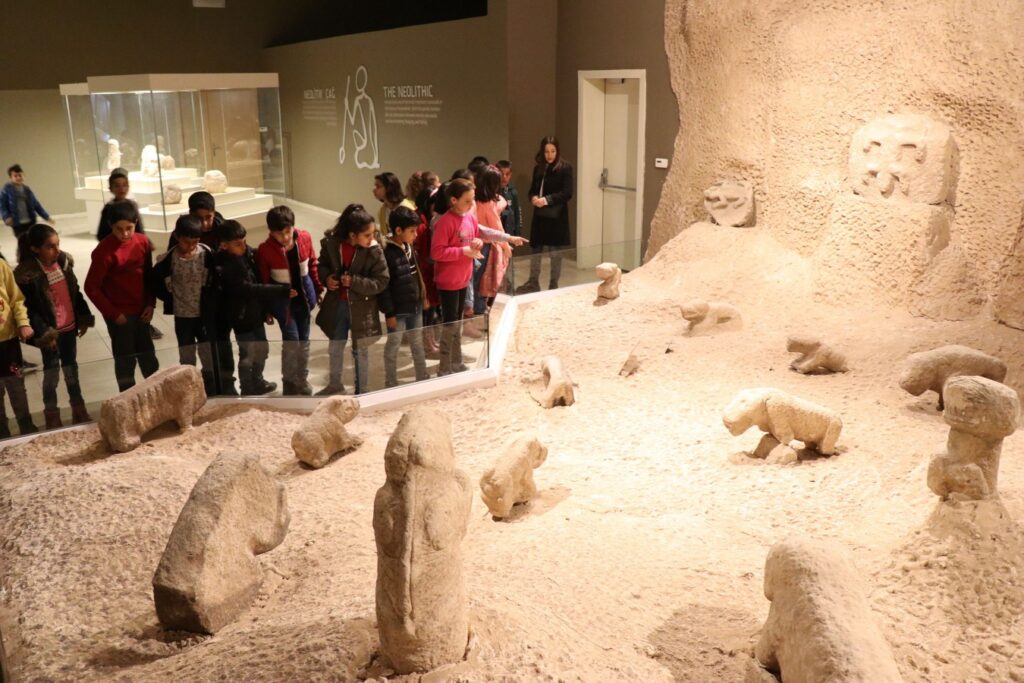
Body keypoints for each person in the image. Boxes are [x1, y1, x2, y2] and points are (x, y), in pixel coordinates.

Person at [431, 179, 525, 376]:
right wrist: (463, 251)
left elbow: (481, 233)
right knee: (450, 326)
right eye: (467, 201)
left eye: (472, 201)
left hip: (463, 279)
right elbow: (437, 252)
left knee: (457, 324)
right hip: (448, 282)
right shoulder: (445, 222)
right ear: (453, 200)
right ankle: (444, 367)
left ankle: (455, 362)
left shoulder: (469, 218)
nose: (471, 205)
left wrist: (506, 238)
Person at [14, 224, 94, 428]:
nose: (57, 250)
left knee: (71, 369)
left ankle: (78, 408)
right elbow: (29, 309)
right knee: (51, 373)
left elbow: (74, 293)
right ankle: (51, 414)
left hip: (69, 328)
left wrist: (83, 317)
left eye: (58, 244)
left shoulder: (63, 262)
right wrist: (45, 334)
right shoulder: (27, 275)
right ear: (35, 249)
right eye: (50, 247)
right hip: (51, 334)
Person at [84, 199, 159, 392]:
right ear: (111, 226)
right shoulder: (103, 252)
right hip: (120, 315)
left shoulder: (142, 242)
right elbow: (91, 287)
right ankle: (128, 402)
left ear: (135, 223)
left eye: (129, 228)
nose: (125, 234)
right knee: (125, 362)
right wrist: (113, 314)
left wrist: (150, 304)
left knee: (148, 357)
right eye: (119, 229)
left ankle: (157, 397)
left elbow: (149, 275)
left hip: (142, 311)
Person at [315, 204, 389, 395]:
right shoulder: (332, 244)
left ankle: (362, 389)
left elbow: (381, 281)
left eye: (373, 233)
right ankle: (335, 384)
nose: (372, 238)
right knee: (335, 346)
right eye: (367, 235)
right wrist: (326, 278)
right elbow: (321, 265)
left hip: (362, 308)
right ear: (352, 235)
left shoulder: (374, 250)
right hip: (337, 305)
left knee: (361, 350)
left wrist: (354, 281)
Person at [211, 220, 286, 396]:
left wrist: (266, 309)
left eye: (244, 241)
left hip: (256, 313)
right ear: (224, 245)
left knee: (262, 349)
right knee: (247, 354)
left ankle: (257, 381)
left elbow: (259, 279)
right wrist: (280, 291)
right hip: (240, 317)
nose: (243, 246)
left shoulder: (250, 254)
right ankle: (247, 388)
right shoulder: (224, 265)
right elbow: (246, 288)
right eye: (238, 244)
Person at [258, 205, 322, 396]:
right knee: (292, 341)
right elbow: (264, 280)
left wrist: (318, 288)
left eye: (288, 231)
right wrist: (266, 309)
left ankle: (301, 379)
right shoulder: (265, 250)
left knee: (304, 341)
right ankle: (289, 382)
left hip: (304, 300)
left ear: (293, 227)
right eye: (280, 234)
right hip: (282, 304)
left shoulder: (304, 238)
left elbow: (312, 264)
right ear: (271, 232)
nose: (285, 237)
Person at [151, 215, 219, 395]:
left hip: (204, 315)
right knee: (187, 355)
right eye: (187, 242)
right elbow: (155, 280)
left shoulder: (207, 254)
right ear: (177, 236)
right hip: (183, 317)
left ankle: (211, 387)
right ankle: (190, 389)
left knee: (208, 354)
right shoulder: (168, 260)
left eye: (195, 241)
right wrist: (168, 297)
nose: (191, 246)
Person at [516, 136, 574, 293]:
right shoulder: (539, 168)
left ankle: (553, 285)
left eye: (553, 151)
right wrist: (534, 197)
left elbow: (567, 193)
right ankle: (533, 282)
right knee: (536, 249)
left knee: (556, 253)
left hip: (556, 217)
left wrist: (547, 200)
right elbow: (532, 190)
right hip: (540, 217)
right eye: (547, 151)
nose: (550, 155)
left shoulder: (565, 168)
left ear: (557, 151)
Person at [380, 206, 428, 388]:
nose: (416, 235)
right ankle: (390, 381)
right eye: (412, 231)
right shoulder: (386, 252)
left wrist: (423, 297)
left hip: (414, 305)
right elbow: (384, 287)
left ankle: (422, 375)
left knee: (417, 342)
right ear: (398, 230)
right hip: (397, 310)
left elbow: (417, 275)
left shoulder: (409, 247)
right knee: (394, 344)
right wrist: (389, 313)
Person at [0, 253, 36, 436]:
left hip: (8, 341)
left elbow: (16, 299)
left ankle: (26, 426)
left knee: (16, 387)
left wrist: (23, 322)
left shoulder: (1, 265)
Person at [476, 165, 516, 306]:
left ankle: (477, 307)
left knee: (477, 279)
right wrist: (506, 246)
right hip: (486, 245)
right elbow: (496, 227)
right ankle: (480, 309)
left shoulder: (475, 199)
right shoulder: (488, 204)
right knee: (484, 281)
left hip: (476, 243)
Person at [1, 164, 53, 243]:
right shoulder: (6, 191)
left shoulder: (27, 190)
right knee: (22, 242)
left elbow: (36, 204)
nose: (18, 178)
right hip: (17, 223)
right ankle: (23, 254)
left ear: (23, 176)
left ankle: (32, 254)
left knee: (32, 241)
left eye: (20, 175)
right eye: (15, 176)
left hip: (30, 221)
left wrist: (46, 217)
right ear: (10, 178)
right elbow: (2, 206)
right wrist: (6, 217)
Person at [96, 169, 145, 241]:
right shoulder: (108, 208)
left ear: (128, 186)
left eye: (124, 185)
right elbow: (102, 233)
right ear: (111, 188)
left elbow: (139, 228)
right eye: (117, 186)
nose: (122, 189)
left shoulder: (133, 205)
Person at [372, 172, 415, 245]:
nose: (374, 190)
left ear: (389, 188)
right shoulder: (382, 211)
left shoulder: (407, 207)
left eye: (378, 186)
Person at [496, 160, 522, 237]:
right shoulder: (492, 191)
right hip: (497, 230)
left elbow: (518, 212)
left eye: (507, 174)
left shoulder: (513, 192)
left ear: (511, 175)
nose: (504, 177)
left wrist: (518, 230)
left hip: (510, 231)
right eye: (501, 174)